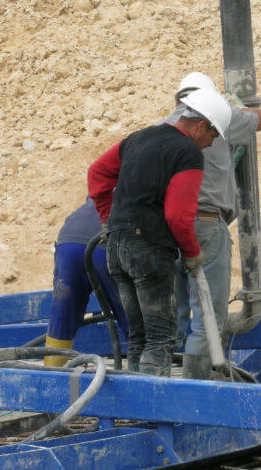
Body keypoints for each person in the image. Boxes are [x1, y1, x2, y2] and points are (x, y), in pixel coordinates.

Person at [87, 88, 232, 376]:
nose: (209, 144)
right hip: (149, 250)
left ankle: (137, 400)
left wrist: (108, 220)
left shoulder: (138, 138)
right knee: (158, 341)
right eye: (213, 136)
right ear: (201, 125)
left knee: (138, 338)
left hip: (116, 248)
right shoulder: (188, 152)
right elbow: (178, 215)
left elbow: (97, 172)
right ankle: (155, 402)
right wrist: (191, 252)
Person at [163, 72, 261, 380]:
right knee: (208, 318)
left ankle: (169, 383)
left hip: (168, 227)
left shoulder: (163, 126)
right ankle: (195, 390)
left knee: (175, 314)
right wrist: (236, 107)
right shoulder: (219, 118)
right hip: (207, 225)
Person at [44, 197, 129, 367]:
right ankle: (146, 369)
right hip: (106, 242)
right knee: (132, 314)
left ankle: (52, 370)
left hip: (69, 242)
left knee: (63, 310)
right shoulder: (138, 191)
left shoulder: (100, 192)